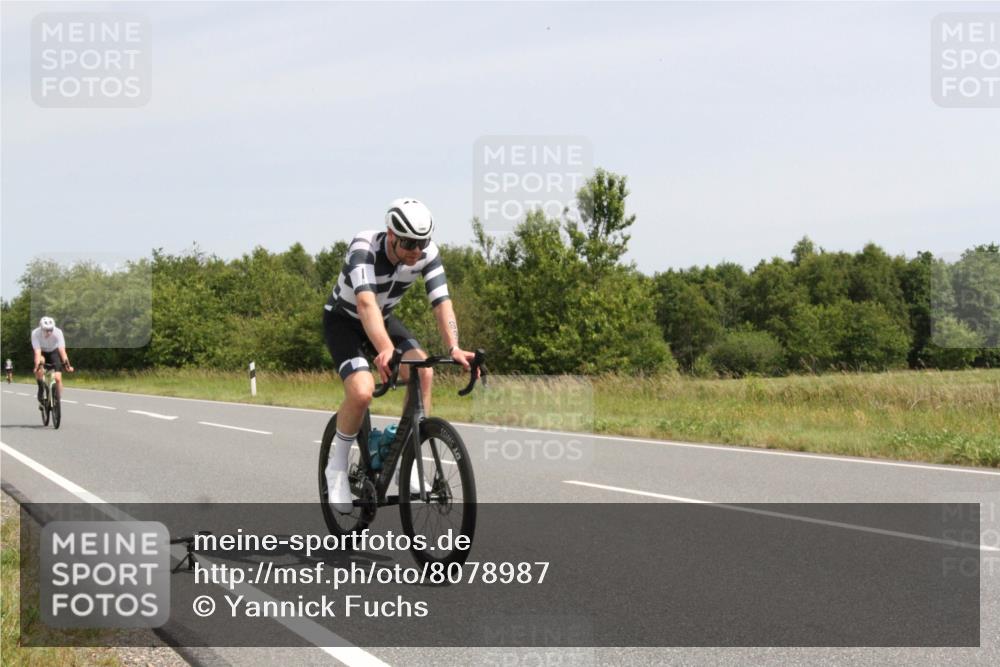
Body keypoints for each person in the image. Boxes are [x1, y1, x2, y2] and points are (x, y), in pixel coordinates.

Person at [323, 198, 476, 513]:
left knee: (424, 371)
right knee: (362, 391)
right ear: (391, 234)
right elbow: (365, 305)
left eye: (422, 243)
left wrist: (454, 347)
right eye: (408, 243)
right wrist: (385, 349)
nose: (415, 251)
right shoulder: (364, 247)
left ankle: (409, 463)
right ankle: (336, 468)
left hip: (382, 316)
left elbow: (441, 302)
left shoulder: (425, 254)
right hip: (345, 321)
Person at [31, 316, 74, 408]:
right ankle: (41, 387)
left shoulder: (58, 332)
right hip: (41, 352)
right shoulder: (35, 333)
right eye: (46, 330)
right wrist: (37, 366)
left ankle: (57, 400)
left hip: (53, 352)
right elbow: (37, 352)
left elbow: (62, 350)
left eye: (51, 329)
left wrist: (68, 365)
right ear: (41, 328)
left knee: (58, 378)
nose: (49, 332)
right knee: (40, 365)